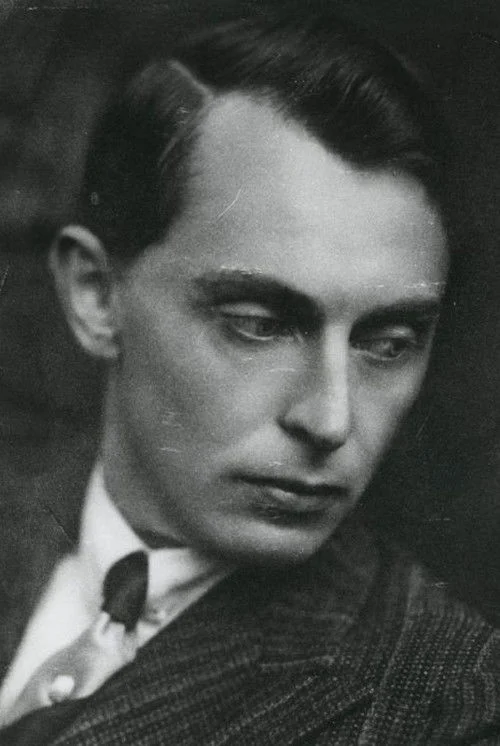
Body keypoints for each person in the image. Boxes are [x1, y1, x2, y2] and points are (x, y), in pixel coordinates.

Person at [1, 11, 500, 745]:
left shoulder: (448, 710)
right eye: (259, 324)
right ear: (97, 295)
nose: (330, 420)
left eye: (388, 343)